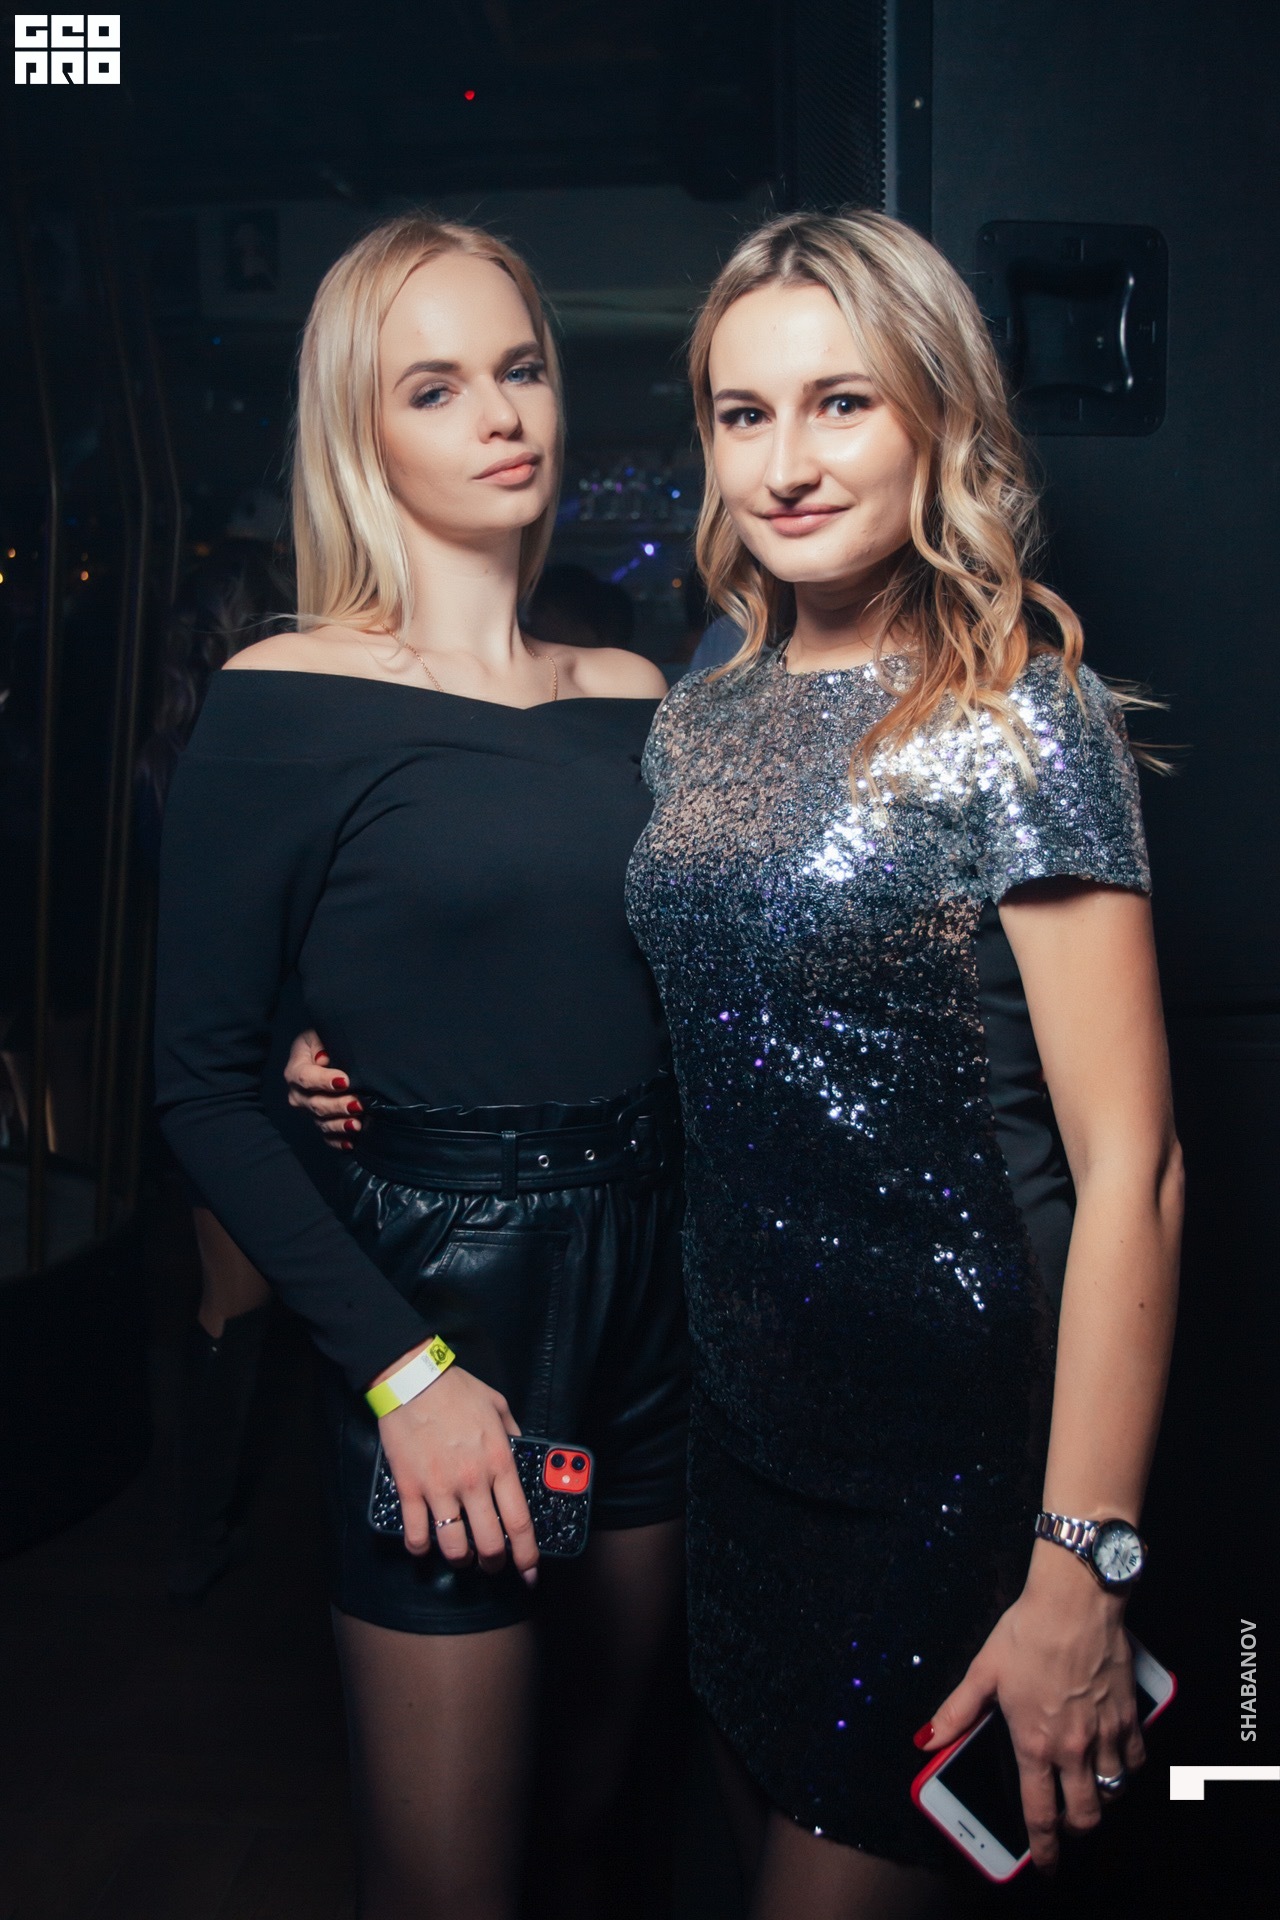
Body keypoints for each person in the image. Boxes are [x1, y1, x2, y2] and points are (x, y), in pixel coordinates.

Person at [625, 211, 1180, 1917]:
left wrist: (1082, 1561)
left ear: (936, 414)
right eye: (744, 413)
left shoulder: (1017, 715)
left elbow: (1135, 1169)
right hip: (739, 1442)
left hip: (948, 1472)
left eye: (841, 403)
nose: (785, 464)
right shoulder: (698, 715)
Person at [154, 215, 687, 1920]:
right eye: (436, 387)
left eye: (520, 370)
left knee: (596, 1826)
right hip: (446, 1296)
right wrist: (402, 1369)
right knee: (452, 1882)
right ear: (359, 430)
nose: (501, 415)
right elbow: (198, 1082)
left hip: (660, 1285)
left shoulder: (634, 691)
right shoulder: (285, 697)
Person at [138, 540, 294, 1603]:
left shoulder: (167, 754)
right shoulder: (262, 751)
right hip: (260, 1049)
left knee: (234, 1299)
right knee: (243, 1300)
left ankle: (201, 1530)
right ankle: (200, 1531)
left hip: (224, 1047)